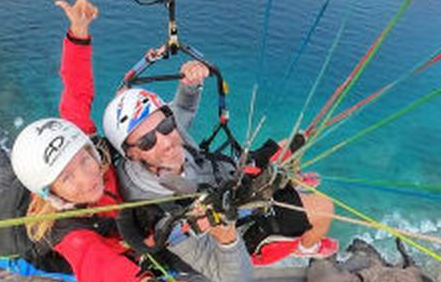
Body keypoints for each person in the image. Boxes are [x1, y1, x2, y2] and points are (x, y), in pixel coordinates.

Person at [0, 0, 241, 282]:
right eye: (68, 178)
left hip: (44, 192)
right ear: (53, 193)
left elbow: (76, 94)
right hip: (12, 251)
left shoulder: (84, 143)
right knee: (140, 254)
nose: (87, 176)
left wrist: (79, 33)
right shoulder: (67, 231)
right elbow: (100, 270)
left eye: (84, 161)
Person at [102, 67, 339, 266]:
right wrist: (254, 193)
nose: (165, 142)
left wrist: (190, 83)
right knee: (325, 208)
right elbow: (172, 232)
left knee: (290, 144)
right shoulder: (148, 198)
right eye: (147, 142)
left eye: (165, 126)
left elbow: (182, 109)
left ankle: (284, 180)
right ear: (131, 154)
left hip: (227, 175)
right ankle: (307, 246)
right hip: (236, 225)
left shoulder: (169, 132)